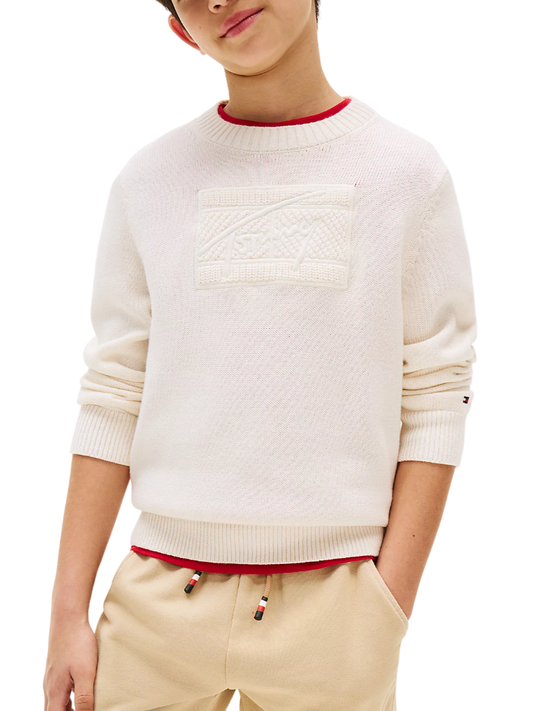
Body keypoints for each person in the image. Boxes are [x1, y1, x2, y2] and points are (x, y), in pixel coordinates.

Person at [43, 1, 478, 709]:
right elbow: (113, 391)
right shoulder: (148, 182)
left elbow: (436, 391)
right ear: (180, 29)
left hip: (337, 606)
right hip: (156, 605)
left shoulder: (406, 175)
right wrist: (67, 615)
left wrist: (386, 603)